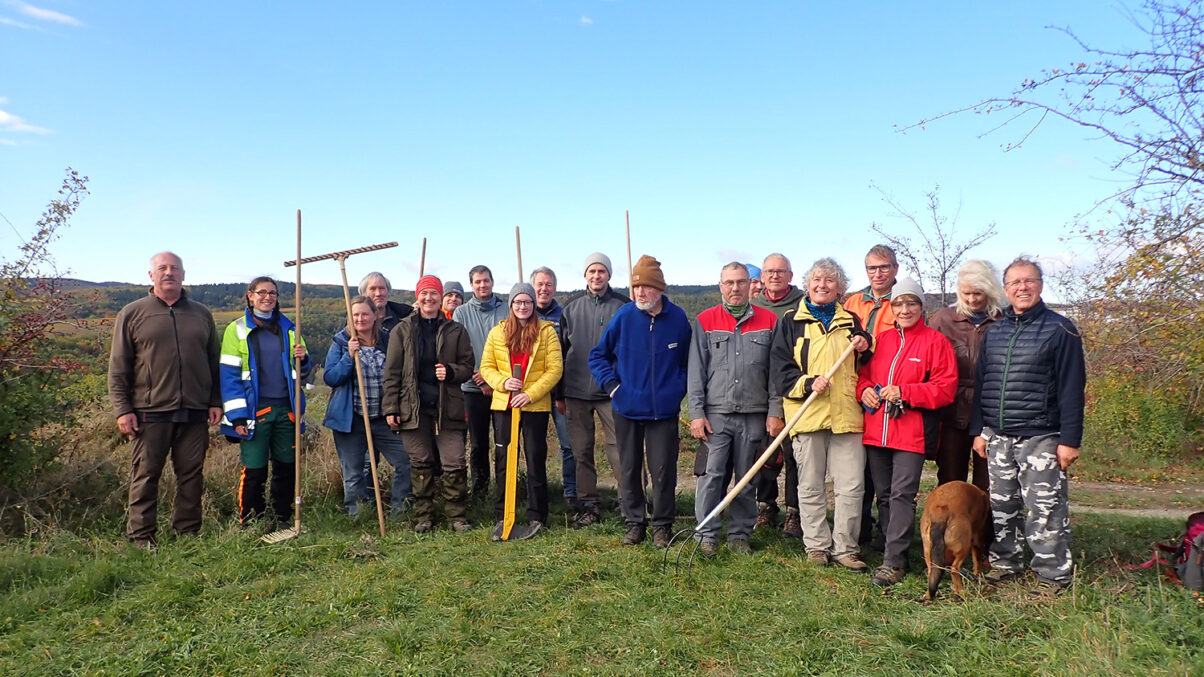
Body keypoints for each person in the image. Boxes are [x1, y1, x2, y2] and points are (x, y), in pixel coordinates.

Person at [971, 257, 1086, 596]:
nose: (1022, 287)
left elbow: (1071, 387)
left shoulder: (1060, 329)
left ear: (1040, 285)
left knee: (1044, 508)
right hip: (998, 436)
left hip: (1042, 436)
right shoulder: (995, 331)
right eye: (1015, 282)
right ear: (1005, 289)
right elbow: (983, 383)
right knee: (1003, 505)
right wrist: (980, 429)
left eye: (1029, 281)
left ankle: (1052, 575)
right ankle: (1006, 563)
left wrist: (1070, 439)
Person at [108, 252, 222, 549]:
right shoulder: (132, 313)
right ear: (151, 275)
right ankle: (142, 537)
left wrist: (215, 401)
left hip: (195, 410)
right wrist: (123, 410)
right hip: (149, 411)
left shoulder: (201, 313)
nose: (169, 272)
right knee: (145, 476)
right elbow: (119, 365)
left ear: (183, 274)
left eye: (174, 268)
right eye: (162, 268)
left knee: (191, 475)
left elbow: (213, 361)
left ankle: (187, 534)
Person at [770, 257, 872, 571]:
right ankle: (816, 546)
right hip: (808, 414)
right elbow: (779, 369)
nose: (822, 285)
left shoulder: (851, 321)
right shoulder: (790, 321)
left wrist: (865, 345)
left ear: (840, 288)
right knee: (810, 484)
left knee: (851, 486)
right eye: (816, 280)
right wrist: (807, 382)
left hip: (846, 416)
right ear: (807, 285)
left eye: (829, 281)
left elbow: (868, 364)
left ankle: (845, 548)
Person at [856, 278, 958, 587]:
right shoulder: (882, 340)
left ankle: (894, 562)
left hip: (910, 434)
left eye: (911, 303)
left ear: (922, 307)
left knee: (902, 495)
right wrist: (864, 393)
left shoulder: (935, 342)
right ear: (891, 307)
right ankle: (892, 547)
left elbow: (945, 389)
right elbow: (862, 377)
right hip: (876, 431)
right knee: (884, 495)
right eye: (899, 303)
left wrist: (906, 392)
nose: (905, 309)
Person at [589, 255, 691, 549]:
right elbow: (598, 355)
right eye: (635, 287)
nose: (639, 294)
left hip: (664, 411)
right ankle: (635, 523)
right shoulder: (624, 316)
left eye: (646, 287)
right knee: (630, 468)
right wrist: (612, 386)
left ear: (660, 289)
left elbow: (688, 363)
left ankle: (662, 525)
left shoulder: (678, 319)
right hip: (627, 407)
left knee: (663, 470)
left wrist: (676, 390)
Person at [687, 262, 783, 556]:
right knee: (711, 476)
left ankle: (740, 535)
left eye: (741, 282)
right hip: (715, 415)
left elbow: (776, 372)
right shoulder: (705, 321)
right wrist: (696, 413)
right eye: (729, 283)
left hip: (754, 415)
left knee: (747, 477)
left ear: (751, 285)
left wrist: (774, 411)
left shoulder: (769, 321)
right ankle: (706, 534)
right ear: (720, 286)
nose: (735, 288)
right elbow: (696, 371)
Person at [383, 275, 476, 532]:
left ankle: (457, 516)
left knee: (454, 460)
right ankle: (424, 516)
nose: (429, 298)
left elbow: (468, 366)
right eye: (424, 293)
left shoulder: (456, 330)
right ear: (417, 297)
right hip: (413, 407)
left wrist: (451, 371)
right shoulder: (402, 330)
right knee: (421, 462)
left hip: (448, 407)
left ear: (441, 298)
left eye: (434, 293)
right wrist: (391, 407)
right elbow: (392, 373)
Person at [219, 276, 311, 530]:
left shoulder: (291, 328)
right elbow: (229, 376)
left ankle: (282, 518)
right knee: (254, 469)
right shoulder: (235, 330)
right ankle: (250, 522)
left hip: (286, 409)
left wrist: (303, 359)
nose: (267, 297)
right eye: (262, 292)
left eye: (272, 293)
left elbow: (303, 370)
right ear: (250, 295)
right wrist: (237, 416)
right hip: (254, 410)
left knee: (286, 467)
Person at [479, 282, 564, 539]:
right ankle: (503, 514)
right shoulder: (497, 332)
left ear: (533, 304)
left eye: (527, 302)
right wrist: (503, 383)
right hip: (504, 405)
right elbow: (486, 367)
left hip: (533, 406)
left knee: (535, 457)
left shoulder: (547, 332)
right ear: (511, 304)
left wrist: (529, 394)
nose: (523, 306)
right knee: (504, 459)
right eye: (518, 302)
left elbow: (554, 369)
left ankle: (537, 515)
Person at [323, 295, 413, 517]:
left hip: (383, 419)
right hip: (351, 420)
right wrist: (348, 357)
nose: (360, 319)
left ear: (375, 315)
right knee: (354, 472)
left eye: (364, 314)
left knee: (406, 461)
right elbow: (331, 378)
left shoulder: (387, 340)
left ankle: (400, 512)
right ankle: (360, 515)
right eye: (355, 315)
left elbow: (399, 374)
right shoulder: (341, 343)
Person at [559, 252, 630, 528]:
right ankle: (588, 505)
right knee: (581, 451)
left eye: (601, 271)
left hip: (611, 391)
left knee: (621, 449)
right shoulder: (571, 308)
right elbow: (562, 352)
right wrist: (560, 394)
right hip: (576, 390)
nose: (597, 276)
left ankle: (630, 503)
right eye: (592, 271)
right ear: (585, 275)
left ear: (609, 275)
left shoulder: (623, 306)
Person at [928, 260, 1005, 490]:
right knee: (951, 480)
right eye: (966, 293)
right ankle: (951, 526)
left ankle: (985, 526)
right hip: (951, 411)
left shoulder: (1004, 321)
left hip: (991, 411)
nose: (971, 299)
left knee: (989, 483)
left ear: (990, 291)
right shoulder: (942, 320)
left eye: (978, 293)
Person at [843, 244, 900, 548]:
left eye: (884, 267)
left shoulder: (903, 301)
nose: (878, 274)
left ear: (895, 269)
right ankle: (860, 529)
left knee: (884, 470)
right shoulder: (853, 301)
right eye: (872, 268)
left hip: (886, 389)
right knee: (857, 467)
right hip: (855, 386)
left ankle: (889, 534)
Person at [751, 252, 806, 537]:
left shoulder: (801, 305)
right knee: (766, 451)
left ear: (790, 276)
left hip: (793, 389)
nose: (775, 276)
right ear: (762, 276)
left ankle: (794, 513)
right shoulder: (753, 306)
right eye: (769, 271)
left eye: (780, 271)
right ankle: (766, 505)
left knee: (793, 455)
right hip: (760, 390)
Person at [452, 265, 509, 497]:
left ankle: (506, 488)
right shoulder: (462, 313)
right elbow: (460, 349)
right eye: (477, 282)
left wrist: (495, 378)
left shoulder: (507, 309)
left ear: (492, 282)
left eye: (485, 280)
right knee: (478, 442)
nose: (482, 285)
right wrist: (480, 377)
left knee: (503, 441)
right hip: (472, 388)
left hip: (503, 387)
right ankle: (480, 489)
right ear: (472, 285)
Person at [530, 266, 578, 510]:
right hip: (531, 393)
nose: (543, 289)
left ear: (555, 288)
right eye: (539, 284)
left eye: (548, 284)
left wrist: (562, 393)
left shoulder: (564, 315)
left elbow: (568, 355)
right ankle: (534, 491)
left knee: (569, 444)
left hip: (559, 392)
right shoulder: (523, 313)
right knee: (533, 445)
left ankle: (571, 491)